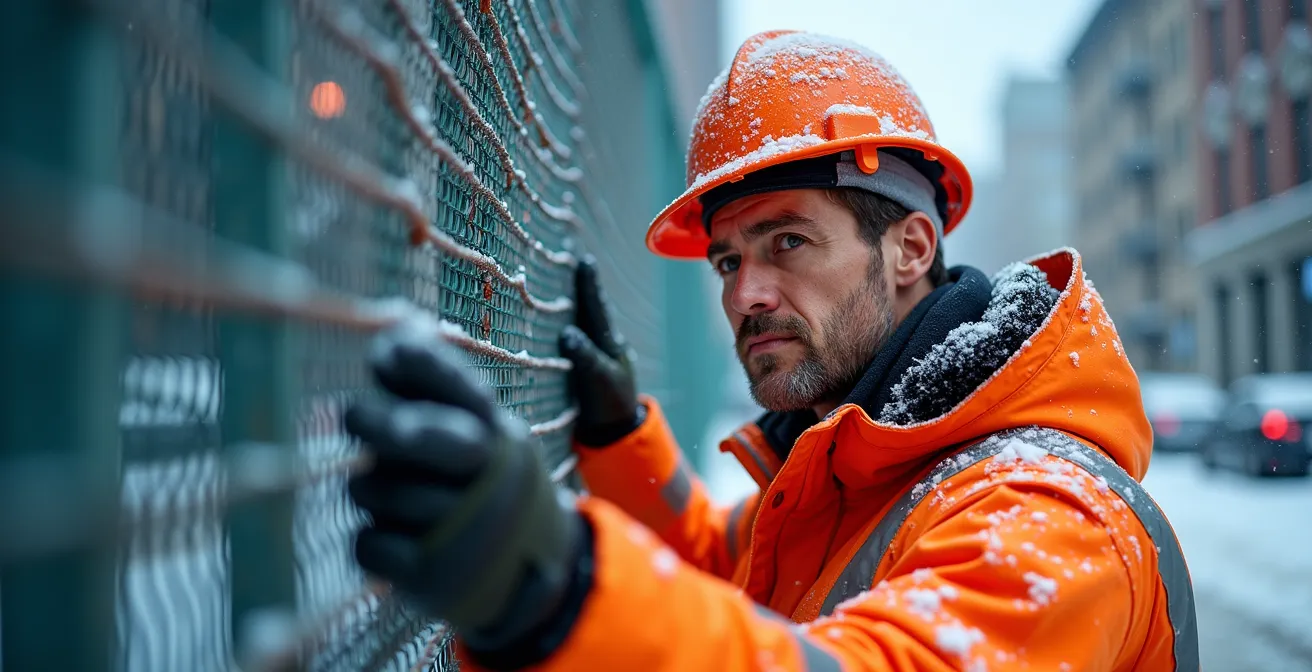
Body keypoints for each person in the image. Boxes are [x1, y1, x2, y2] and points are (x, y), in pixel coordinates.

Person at [343, 31, 1198, 671]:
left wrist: (557, 596)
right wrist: (615, 440)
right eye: (728, 258)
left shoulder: (1050, 514)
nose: (743, 293)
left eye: (787, 241)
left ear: (909, 248)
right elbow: (717, 572)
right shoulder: (847, 464)